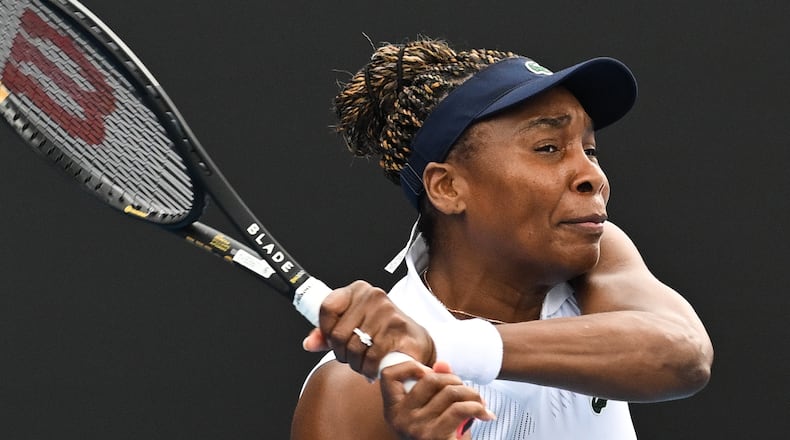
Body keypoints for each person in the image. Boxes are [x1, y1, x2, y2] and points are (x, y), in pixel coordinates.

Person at [291, 38, 713, 440]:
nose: (594, 177)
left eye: (590, 149)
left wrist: (440, 345)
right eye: (548, 147)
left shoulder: (598, 255)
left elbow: (683, 354)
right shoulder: (348, 395)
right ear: (448, 188)